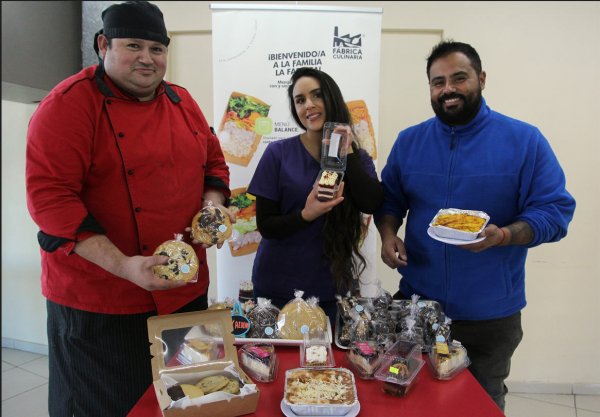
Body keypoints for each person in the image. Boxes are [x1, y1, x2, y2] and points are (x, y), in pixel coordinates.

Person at [25, 2, 231, 416]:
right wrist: (124, 266)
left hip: (186, 292)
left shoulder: (182, 101)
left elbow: (214, 163)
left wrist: (212, 209)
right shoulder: (68, 105)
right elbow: (52, 201)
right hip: (104, 302)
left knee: (193, 398)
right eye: (133, 45)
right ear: (104, 44)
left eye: (157, 49)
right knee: (109, 406)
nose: (147, 58)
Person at [375, 40, 575, 411]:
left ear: (481, 79)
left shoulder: (524, 141)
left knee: (478, 405)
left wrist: (504, 236)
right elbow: (389, 200)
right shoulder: (409, 142)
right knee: (408, 402)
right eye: (438, 82)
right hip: (418, 305)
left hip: (491, 316)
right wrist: (388, 235)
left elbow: (554, 211)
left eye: (459, 78)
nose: (448, 89)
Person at [247, 67, 383, 324]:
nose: (308, 105)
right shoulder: (278, 154)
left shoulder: (358, 157)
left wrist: (346, 149)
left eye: (317, 95)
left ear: (332, 98)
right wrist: (306, 215)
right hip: (277, 287)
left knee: (325, 363)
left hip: (330, 288)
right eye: (300, 100)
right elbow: (266, 226)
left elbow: (371, 202)